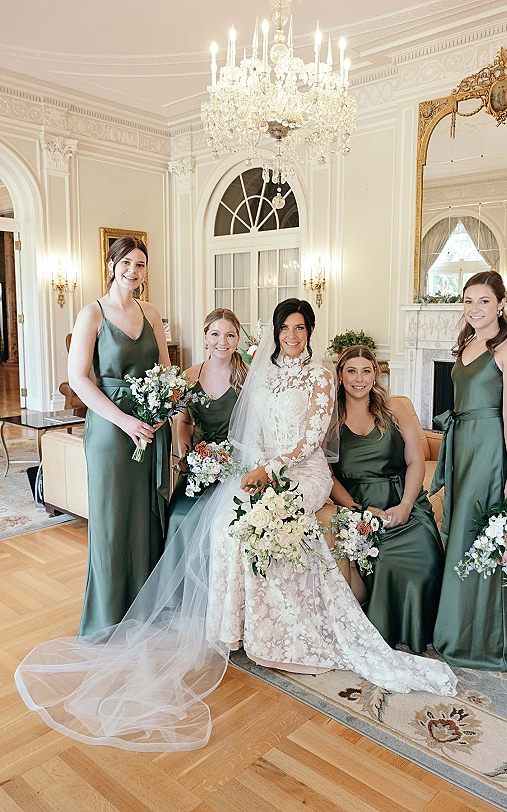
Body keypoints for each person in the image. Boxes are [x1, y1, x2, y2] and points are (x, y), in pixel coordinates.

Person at [15, 298, 457, 753]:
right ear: (274, 331)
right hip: (262, 465)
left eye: (300, 328)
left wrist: (274, 469)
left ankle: (282, 634)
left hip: (304, 470)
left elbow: (310, 439)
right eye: (284, 327)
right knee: (230, 522)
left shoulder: (322, 376)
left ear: (310, 332)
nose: (291, 335)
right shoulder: (260, 371)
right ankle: (234, 628)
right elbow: (252, 432)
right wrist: (255, 465)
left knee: (276, 522)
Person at [67, 235, 172, 636]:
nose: (133, 270)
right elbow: (78, 379)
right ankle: (108, 617)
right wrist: (124, 422)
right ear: (112, 264)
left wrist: (161, 411)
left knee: (146, 517)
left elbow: (165, 369)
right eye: (126, 262)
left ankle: (145, 609)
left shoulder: (152, 312)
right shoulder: (91, 314)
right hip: (112, 433)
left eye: (140, 264)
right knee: (113, 520)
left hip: (150, 426)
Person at [430, 270, 507, 671]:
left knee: (478, 537)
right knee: (461, 531)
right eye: (469, 301)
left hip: (489, 449)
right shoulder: (468, 342)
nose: (475, 308)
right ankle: (455, 624)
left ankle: (483, 638)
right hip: (462, 446)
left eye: (484, 301)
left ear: (501, 304)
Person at [330, 345, 444, 654]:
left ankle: (423, 629)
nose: (359, 379)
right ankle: (384, 628)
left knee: (427, 558)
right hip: (360, 507)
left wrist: (406, 506)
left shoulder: (395, 408)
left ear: (375, 376)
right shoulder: (329, 417)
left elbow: (416, 461)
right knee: (384, 561)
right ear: (340, 375)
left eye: (366, 371)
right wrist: (357, 512)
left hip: (402, 500)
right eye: (351, 371)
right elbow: (327, 475)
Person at [165, 308, 247, 542]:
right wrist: (188, 454)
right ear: (205, 338)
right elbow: (184, 421)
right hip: (198, 464)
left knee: (221, 521)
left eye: (230, 335)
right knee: (178, 516)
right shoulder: (189, 376)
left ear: (237, 339)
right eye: (215, 334)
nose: (222, 342)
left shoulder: (247, 378)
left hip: (236, 465)